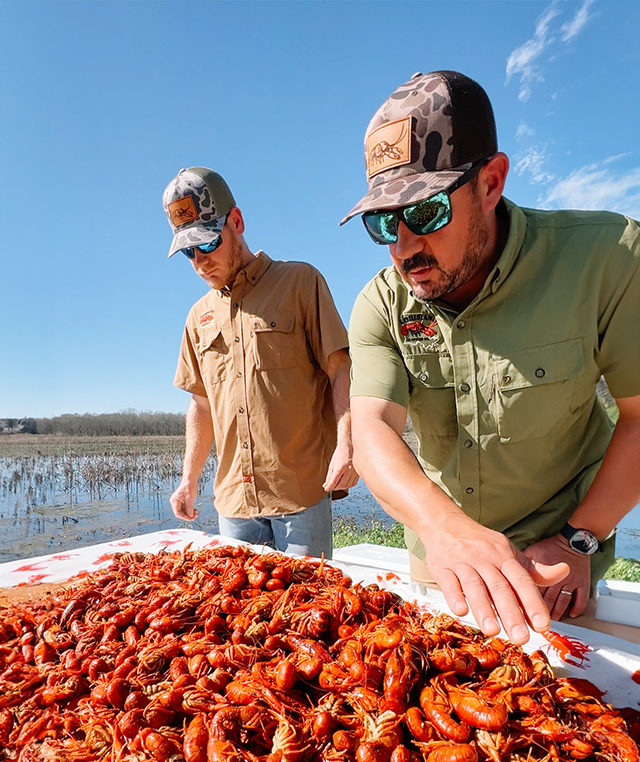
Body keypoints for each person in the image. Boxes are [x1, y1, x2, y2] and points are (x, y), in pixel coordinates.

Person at [341, 71, 640, 644]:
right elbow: (372, 428)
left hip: (557, 563)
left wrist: (581, 539)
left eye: (425, 212)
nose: (404, 248)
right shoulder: (381, 303)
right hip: (441, 562)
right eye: (383, 223)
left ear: (491, 182)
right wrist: (443, 527)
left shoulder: (608, 260)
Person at [163, 166, 357, 558]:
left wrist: (349, 446)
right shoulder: (197, 317)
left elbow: (341, 369)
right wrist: (188, 480)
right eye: (188, 251)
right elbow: (201, 404)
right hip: (234, 504)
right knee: (240, 615)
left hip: (300, 494)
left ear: (236, 222)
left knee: (310, 608)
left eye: (208, 243)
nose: (200, 261)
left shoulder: (301, 283)